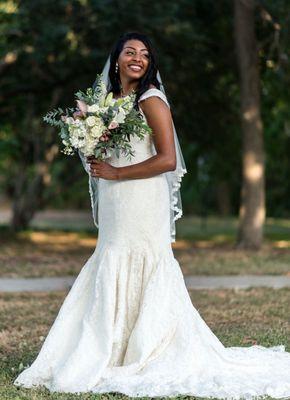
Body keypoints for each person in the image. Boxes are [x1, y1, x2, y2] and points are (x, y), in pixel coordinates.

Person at [14, 32, 290, 399]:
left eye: (144, 55)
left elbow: (167, 160)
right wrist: (91, 149)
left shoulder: (151, 99)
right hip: (116, 200)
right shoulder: (107, 102)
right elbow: (105, 150)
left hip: (141, 199)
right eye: (130, 52)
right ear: (116, 59)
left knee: (142, 261)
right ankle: (109, 347)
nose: (138, 58)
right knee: (110, 259)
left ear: (149, 65)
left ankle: (145, 348)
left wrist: (117, 173)